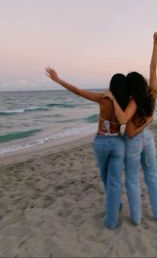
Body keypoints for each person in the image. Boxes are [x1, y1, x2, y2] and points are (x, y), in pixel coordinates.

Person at [45, 68, 129, 229]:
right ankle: (116, 206)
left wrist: (58, 80)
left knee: (107, 179)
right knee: (114, 181)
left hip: (102, 142)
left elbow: (78, 91)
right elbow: (126, 120)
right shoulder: (126, 103)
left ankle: (111, 220)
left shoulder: (103, 98)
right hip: (118, 143)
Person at [105, 28, 157, 225]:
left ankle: (137, 218)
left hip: (135, 141)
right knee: (152, 177)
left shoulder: (132, 102)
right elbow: (153, 68)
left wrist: (113, 100)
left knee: (131, 180)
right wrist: (155, 44)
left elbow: (127, 127)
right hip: (149, 138)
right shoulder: (152, 93)